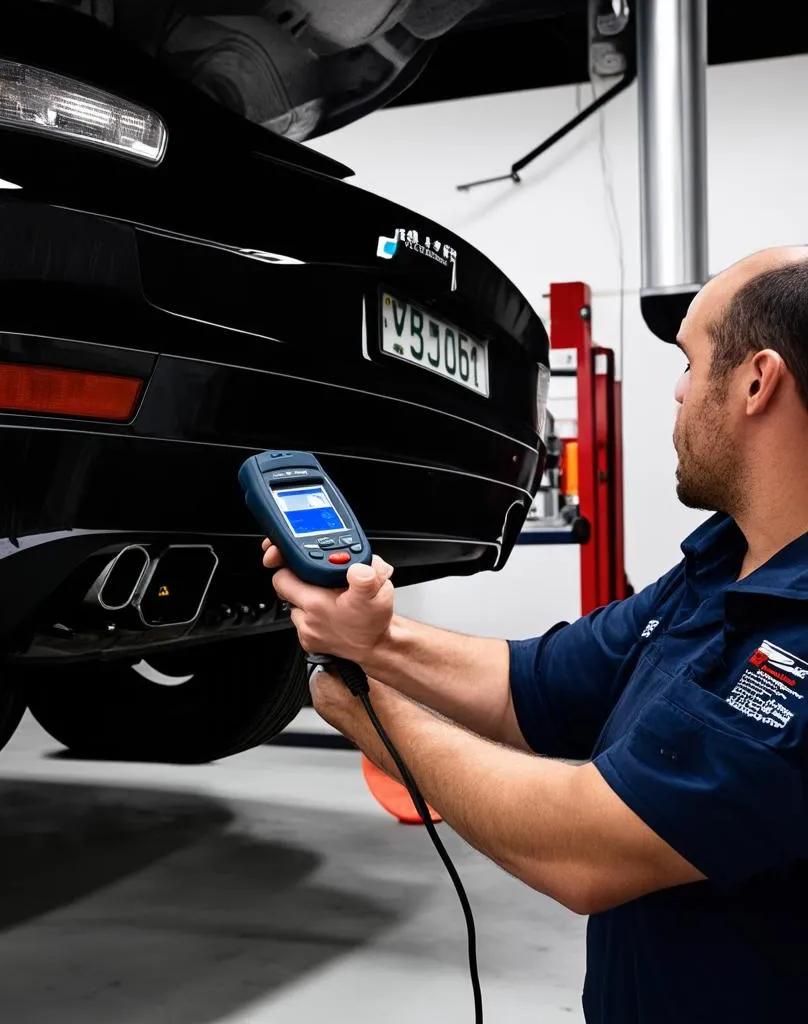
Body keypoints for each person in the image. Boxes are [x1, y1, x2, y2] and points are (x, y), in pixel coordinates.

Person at [263, 245, 808, 1023]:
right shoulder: (726, 562)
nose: (682, 391)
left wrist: (361, 707)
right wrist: (376, 638)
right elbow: (539, 684)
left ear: (757, 382)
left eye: (691, 362)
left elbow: (589, 847)